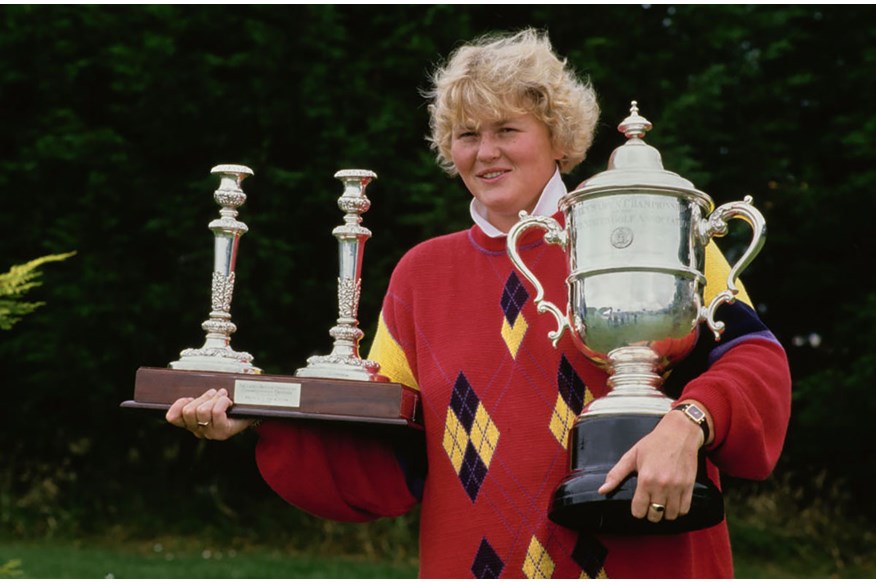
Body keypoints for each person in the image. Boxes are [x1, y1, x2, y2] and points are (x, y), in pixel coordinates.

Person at [167, 29, 791, 578]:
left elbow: (755, 362)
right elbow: (388, 451)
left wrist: (691, 422)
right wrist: (260, 418)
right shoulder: (422, 274)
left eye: (507, 130)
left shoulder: (651, 227)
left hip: (646, 563)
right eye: (467, 135)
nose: (485, 152)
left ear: (558, 138)